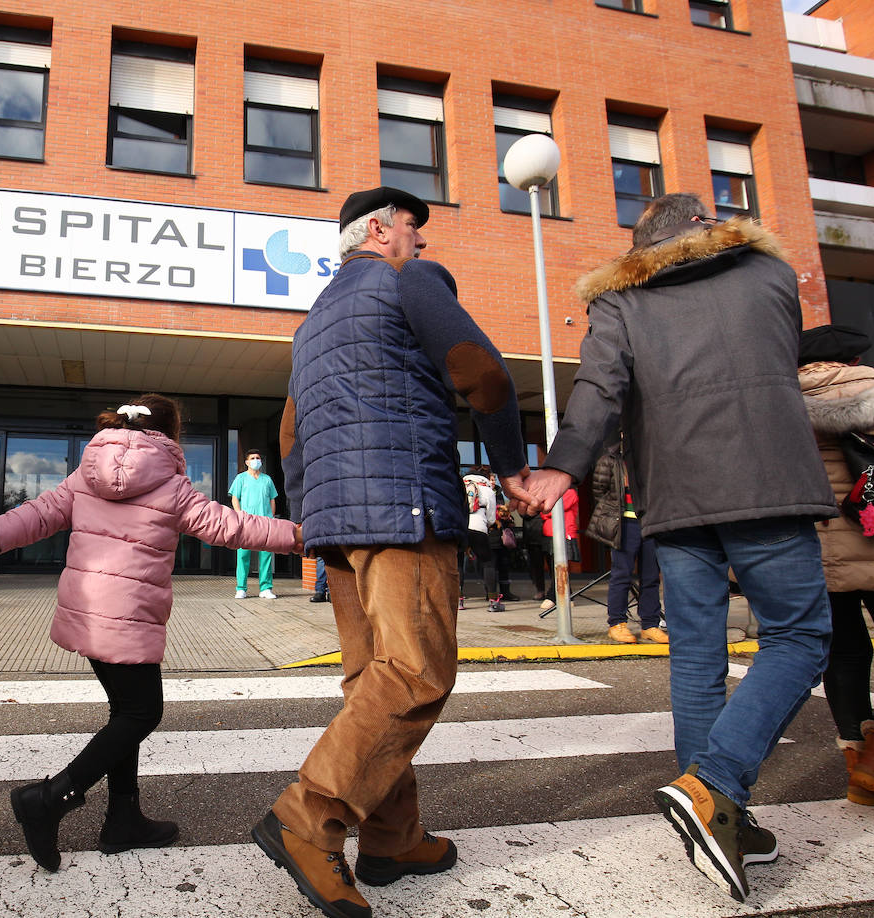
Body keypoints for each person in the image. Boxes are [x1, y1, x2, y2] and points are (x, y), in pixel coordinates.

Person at [525, 193, 835, 903]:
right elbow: (782, 352)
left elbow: (599, 389)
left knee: (696, 654)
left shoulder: (621, 302)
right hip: (767, 483)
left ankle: (718, 817)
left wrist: (563, 463)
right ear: (700, 224)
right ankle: (715, 784)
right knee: (799, 636)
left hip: (676, 498)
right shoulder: (766, 271)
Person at [252, 186, 530, 918]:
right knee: (415, 671)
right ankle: (309, 817)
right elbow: (482, 370)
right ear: (379, 231)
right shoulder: (411, 281)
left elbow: (291, 435)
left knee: (370, 680)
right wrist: (512, 468)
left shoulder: (311, 324)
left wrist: (312, 518)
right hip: (403, 508)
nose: (423, 243)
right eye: (415, 229)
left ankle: (392, 838)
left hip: (339, 528)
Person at [0, 395, 300, 872]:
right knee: (143, 712)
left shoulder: (86, 473)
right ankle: (52, 797)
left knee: (125, 712)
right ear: (170, 434)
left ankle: (123, 819)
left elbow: (37, 513)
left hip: (86, 608)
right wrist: (301, 536)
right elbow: (231, 526)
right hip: (130, 613)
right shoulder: (172, 485)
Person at [797, 324, 874, 806]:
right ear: (852, 360)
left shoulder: (785, 406)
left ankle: (857, 766)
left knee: (846, 650)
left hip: (815, 545)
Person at [586, 440, 666, 644]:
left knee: (651, 576)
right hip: (624, 523)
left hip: (648, 521)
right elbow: (599, 491)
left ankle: (650, 624)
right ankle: (617, 623)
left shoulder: (650, 456)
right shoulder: (610, 459)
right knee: (622, 574)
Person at [231, 448, 280, 598]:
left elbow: (272, 499)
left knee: (265, 555)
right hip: (246, 522)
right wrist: (239, 515)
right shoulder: (240, 478)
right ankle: (241, 588)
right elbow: (235, 498)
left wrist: (270, 517)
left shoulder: (267, 480)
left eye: (258, 458)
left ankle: (266, 588)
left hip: (264, 522)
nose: (256, 460)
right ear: (247, 462)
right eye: (252, 458)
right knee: (243, 555)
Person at [463, 468, 505, 612]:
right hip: (478, 528)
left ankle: (458, 600)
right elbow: (492, 518)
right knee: (488, 562)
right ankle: (493, 600)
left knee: (457, 563)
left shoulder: (461, 485)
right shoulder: (487, 490)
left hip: (460, 528)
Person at [539, 487, 578, 610]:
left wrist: (546, 511)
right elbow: (543, 510)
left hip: (564, 532)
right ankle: (567, 594)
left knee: (561, 566)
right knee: (552, 566)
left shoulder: (570, 492)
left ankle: (553, 596)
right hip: (549, 533)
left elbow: (552, 510)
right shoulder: (549, 492)